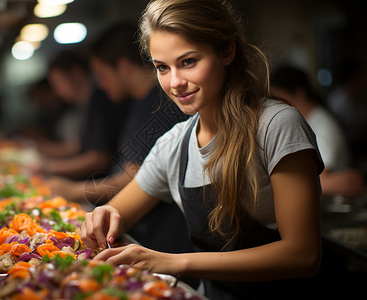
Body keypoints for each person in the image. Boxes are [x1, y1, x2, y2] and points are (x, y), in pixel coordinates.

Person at [80, 1, 325, 299]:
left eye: (188, 62)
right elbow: (116, 214)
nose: (175, 83)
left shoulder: (276, 125)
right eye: (162, 68)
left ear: (226, 52)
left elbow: (303, 255)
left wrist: (173, 262)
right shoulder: (174, 145)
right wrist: (104, 214)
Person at [48, 23, 195, 268]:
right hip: (142, 233)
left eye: (103, 75)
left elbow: (133, 176)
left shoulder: (161, 105)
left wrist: (73, 190)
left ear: (124, 67)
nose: (101, 85)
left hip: (164, 242)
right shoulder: (137, 102)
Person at [271, 65, 364, 197]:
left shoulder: (323, 124)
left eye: (278, 97)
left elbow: (322, 180)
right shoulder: (307, 120)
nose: (275, 106)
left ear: (299, 93)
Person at [38, 49, 128, 180]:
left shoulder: (99, 100)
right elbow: (77, 146)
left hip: (104, 184)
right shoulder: (85, 104)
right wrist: (38, 148)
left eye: (58, 83)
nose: (57, 91)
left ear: (76, 74)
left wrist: (49, 167)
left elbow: (99, 159)